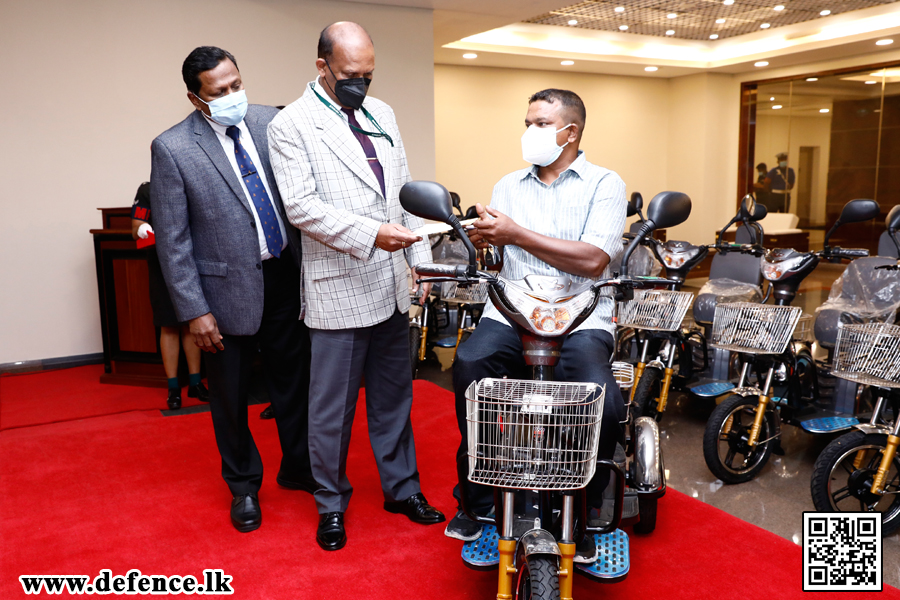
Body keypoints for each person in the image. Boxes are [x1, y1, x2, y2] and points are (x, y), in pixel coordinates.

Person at [268, 21, 445, 552]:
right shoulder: (291, 124)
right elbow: (300, 208)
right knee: (331, 411)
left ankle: (401, 489)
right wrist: (372, 234)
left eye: (368, 74)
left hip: (393, 283)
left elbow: (403, 195)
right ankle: (330, 503)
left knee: (394, 400)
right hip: (339, 284)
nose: (360, 85)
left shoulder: (382, 113)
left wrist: (422, 262)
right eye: (350, 75)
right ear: (322, 66)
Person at [446, 89, 627, 562]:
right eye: (528, 122)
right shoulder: (508, 185)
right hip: (512, 312)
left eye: (541, 124)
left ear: (571, 132)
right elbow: (500, 254)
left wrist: (515, 233)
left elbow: (593, 260)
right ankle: (478, 496)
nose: (530, 132)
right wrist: (485, 242)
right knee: (470, 363)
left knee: (602, 400)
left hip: (581, 315)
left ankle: (581, 506)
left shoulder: (605, 184)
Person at [151, 46, 315, 534]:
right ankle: (243, 486)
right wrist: (193, 310)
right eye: (219, 92)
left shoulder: (275, 123)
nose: (232, 97)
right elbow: (174, 241)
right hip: (222, 295)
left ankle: (298, 466)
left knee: (294, 382)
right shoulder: (174, 147)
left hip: (285, 277)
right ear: (195, 97)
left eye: (236, 85)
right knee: (230, 395)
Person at [130, 181, 208, 410]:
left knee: (191, 321)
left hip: (192, 259)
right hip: (161, 263)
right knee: (169, 324)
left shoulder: (188, 183)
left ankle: (195, 383)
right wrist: (142, 229)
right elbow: (135, 228)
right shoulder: (147, 190)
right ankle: (173, 387)